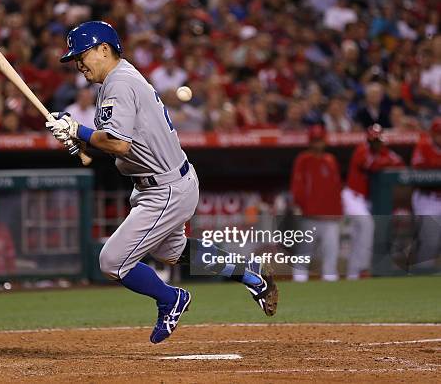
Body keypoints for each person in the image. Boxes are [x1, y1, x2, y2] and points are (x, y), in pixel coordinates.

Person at [46, 21, 278, 344]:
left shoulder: (119, 83)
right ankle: (249, 273)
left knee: (112, 261)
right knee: (175, 253)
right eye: (74, 59)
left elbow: (118, 143)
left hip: (164, 188)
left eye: (82, 55)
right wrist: (79, 139)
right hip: (161, 183)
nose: (78, 64)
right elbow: (123, 142)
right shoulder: (118, 80)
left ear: (104, 49)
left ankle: (171, 298)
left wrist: (79, 131)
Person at [342, 124, 404, 279]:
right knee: (367, 224)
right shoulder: (361, 150)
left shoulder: (382, 151)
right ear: (368, 140)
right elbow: (373, 165)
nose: (376, 144)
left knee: (358, 236)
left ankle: (353, 274)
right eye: (374, 141)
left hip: (365, 200)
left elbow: (400, 162)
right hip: (352, 196)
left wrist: (386, 158)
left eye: (378, 141)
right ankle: (363, 268)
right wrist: (386, 160)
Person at [290, 125, 342, 282]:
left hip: (330, 215)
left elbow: (336, 186)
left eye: (319, 140)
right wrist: (300, 205)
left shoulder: (331, 160)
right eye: (314, 141)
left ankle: (330, 278)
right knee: (305, 252)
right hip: (310, 214)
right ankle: (299, 279)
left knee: (331, 251)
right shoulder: (303, 159)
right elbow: (297, 186)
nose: (317, 144)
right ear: (310, 142)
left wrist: (338, 210)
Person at [410, 117, 441, 270]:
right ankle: (423, 273)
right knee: (430, 240)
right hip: (427, 198)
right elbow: (417, 173)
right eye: (439, 134)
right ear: (433, 134)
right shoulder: (423, 146)